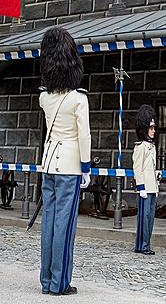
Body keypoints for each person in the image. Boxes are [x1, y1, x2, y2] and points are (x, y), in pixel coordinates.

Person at [39, 26, 91, 296]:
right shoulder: (79, 99)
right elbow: (84, 136)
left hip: (48, 164)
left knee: (48, 222)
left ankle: (46, 280)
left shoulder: (44, 97)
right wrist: (86, 167)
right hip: (70, 166)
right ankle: (60, 282)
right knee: (64, 225)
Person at [133, 105, 158, 255]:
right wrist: (141, 187)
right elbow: (138, 168)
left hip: (152, 187)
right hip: (144, 188)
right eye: (151, 128)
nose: (153, 130)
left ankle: (146, 244)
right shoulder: (140, 147)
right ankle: (141, 246)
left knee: (149, 218)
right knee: (143, 218)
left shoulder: (151, 146)